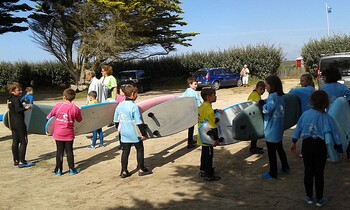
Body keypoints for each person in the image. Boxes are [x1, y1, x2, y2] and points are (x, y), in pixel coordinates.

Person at [290, 90, 343, 207]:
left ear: (311, 102)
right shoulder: (328, 118)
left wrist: (293, 142)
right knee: (319, 173)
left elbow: (298, 129)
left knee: (308, 171)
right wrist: (339, 148)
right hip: (320, 147)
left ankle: (308, 197)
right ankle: (319, 199)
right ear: (326, 103)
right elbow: (335, 134)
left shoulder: (305, 114)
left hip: (307, 146)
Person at [113, 85, 152, 178]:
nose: (137, 95)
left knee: (125, 151)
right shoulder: (134, 106)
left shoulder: (120, 106)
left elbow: (115, 121)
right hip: (134, 133)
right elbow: (139, 122)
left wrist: (120, 129)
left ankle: (124, 171)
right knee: (139, 149)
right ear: (132, 94)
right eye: (136, 94)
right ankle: (141, 168)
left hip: (124, 133)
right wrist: (144, 134)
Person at [46, 88, 82, 176]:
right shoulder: (75, 108)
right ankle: (72, 170)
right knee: (69, 151)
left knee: (59, 151)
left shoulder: (58, 106)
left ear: (64, 97)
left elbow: (49, 118)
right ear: (73, 97)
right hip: (69, 133)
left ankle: (59, 170)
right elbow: (79, 120)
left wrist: (48, 130)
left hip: (58, 133)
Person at [260, 75, 289, 180]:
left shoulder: (272, 96)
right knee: (280, 149)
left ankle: (272, 173)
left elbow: (268, 110)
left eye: (266, 85)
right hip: (279, 128)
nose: (265, 87)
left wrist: (262, 105)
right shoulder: (280, 96)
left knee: (271, 153)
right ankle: (285, 167)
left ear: (271, 86)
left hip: (271, 129)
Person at [7, 82, 34, 168]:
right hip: (19, 123)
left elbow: (12, 111)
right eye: (18, 90)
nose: (20, 91)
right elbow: (18, 110)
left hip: (13, 123)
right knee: (23, 142)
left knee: (15, 142)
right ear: (12, 91)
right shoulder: (16, 100)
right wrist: (26, 108)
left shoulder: (9, 99)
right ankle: (22, 161)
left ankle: (16, 160)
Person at [197, 88, 222, 181]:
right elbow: (213, 126)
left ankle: (202, 170)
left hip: (202, 136)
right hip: (209, 137)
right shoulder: (209, 109)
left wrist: (216, 111)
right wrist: (216, 139)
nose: (215, 96)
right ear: (208, 97)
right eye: (214, 95)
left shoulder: (202, 106)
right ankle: (209, 175)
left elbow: (205, 114)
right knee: (209, 155)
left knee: (204, 154)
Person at [182, 77, 202, 149]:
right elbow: (197, 103)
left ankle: (190, 140)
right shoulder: (193, 93)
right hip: (194, 112)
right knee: (194, 126)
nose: (196, 86)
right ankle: (190, 142)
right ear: (190, 84)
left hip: (188, 112)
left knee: (191, 127)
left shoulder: (185, 92)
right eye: (195, 84)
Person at [247, 81, 265, 154]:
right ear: (256, 88)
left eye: (263, 89)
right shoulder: (255, 95)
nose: (262, 91)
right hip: (253, 116)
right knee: (254, 132)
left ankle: (254, 147)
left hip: (253, 116)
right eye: (260, 89)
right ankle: (253, 148)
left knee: (255, 132)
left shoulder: (256, 94)